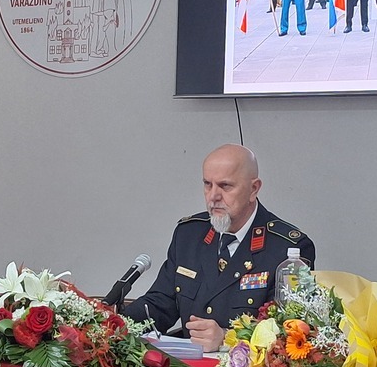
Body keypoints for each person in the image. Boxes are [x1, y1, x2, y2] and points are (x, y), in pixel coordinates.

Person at [122, 144, 313, 352]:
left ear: (253, 189)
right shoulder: (189, 234)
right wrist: (113, 323)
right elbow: (160, 304)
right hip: (187, 366)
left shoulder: (288, 248)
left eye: (225, 186)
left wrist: (226, 338)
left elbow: (289, 331)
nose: (213, 196)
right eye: (207, 184)